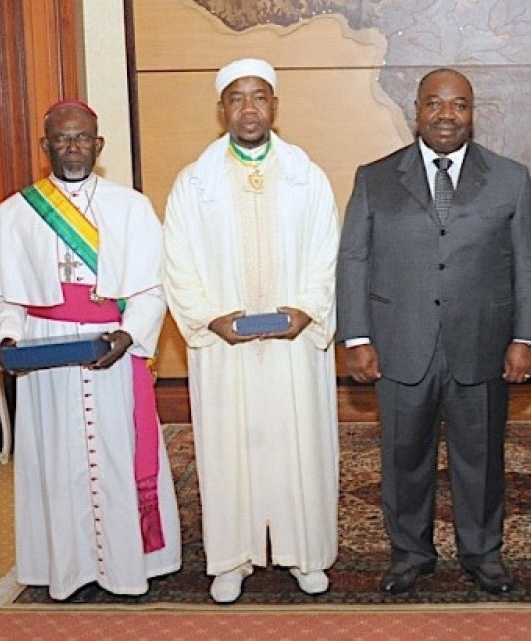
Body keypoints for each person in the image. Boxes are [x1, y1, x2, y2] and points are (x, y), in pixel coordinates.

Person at [337, 68, 531, 595]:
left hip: (482, 344)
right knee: (404, 457)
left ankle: (483, 553)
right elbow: (354, 258)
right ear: (417, 111)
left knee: (481, 457)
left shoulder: (510, 178)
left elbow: (529, 262)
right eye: (435, 103)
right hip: (399, 343)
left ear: (472, 113)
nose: (446, 115)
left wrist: (526, 339)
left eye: (458, 105)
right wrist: (356, 337)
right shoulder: (375, 177)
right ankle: (410, 553)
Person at [0, 100, 181, 600]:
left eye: (82, 137)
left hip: (111, 348)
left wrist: (129, 335)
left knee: (117, 456)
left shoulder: (130, 207)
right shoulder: (15, 214)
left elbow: (153, 288)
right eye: (62, 138)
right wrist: (8, 340)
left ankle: (128, 567)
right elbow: (4, 299)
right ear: (45, 145)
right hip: (46, 353)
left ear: (98, 144)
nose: (72, 146)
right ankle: (67, 570)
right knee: (57, 462)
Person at [163, 58, 340, 602]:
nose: (248, 108)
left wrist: (306, 310)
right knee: (228, 449)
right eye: (236, 98)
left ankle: (305, 554)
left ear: (274, 105)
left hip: (293, 347)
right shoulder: (194, 183)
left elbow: (326, 254)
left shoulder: (307, 177)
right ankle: (232, 558)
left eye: (259, 96)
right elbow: (177, 262)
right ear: (222, 109)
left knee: (298, 447)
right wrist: (209, 317)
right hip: (226, 346)